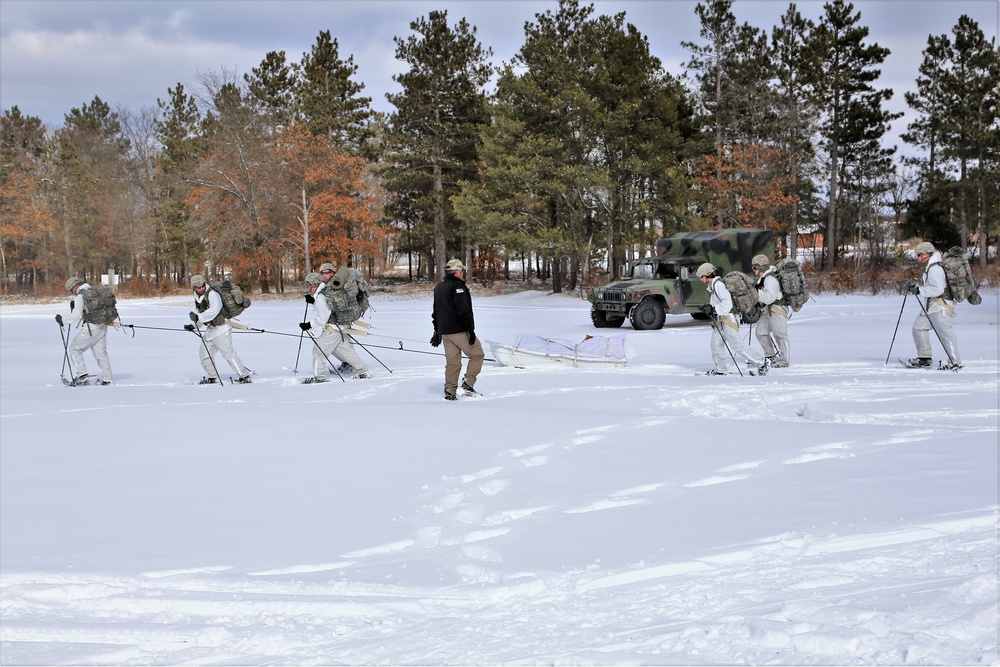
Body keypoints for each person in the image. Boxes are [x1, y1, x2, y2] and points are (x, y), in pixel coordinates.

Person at [696, 262, 769, 376]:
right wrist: (708, 307)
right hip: (722, 319)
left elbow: (727, 303)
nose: (700, 280)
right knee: (716, 344)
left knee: (737, 345)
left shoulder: (719, 285)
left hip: (729, 318)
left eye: (701, 277)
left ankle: (761, 363)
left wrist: (714, 309)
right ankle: (721, 370)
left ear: (708, 274)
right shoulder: (714, 286)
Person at [298, 271, 369, 382]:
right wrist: (313, 301)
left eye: (308, 285)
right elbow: (329, 307)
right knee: (347, 351)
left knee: (318, 350)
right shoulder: (326, 290)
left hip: (333, 329)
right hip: (341, 326)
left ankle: (319, 377)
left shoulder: (320, 296)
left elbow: (323, 317)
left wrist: (309, 325)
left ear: (314, 285)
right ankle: (364, 372)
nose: (307, 287)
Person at [431, 258, 485, 400]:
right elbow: (463, 311)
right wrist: (470, 330)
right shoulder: (457, 287)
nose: (462, 273)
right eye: (461, 270)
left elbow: (436, 311)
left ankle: (450, 390)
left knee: (453, 363)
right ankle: (468, 383)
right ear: (457, 272)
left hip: (445, 332)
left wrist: (437, 331)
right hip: (459, 331)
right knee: (477, 355)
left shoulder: (439, 286)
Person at [185, 274, 252, 384]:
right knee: (204, 355)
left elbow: (214, 310)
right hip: (211, 329)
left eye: (202, 286)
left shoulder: (212, 294)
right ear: (194, 287)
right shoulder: (197, 296)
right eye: (198, 287)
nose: (201, 288)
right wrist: (194, 325)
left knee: (228, 353)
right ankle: (213, 377)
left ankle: (244, 376)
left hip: (222, 328)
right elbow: (201, 312)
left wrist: (199, 317)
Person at [906, 241, 961, 369]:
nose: (917, 258)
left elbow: (938, 289)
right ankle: (924, 358)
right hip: (931, 306)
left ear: (927, 254)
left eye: (919, 255)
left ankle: (955, 362)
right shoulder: (930, 267)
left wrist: (919, 290)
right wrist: (917, 288)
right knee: (918, 327)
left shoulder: (935, 269)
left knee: (946, 335)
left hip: (940, 306)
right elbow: (932, 287)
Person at [59, 276, 113, 385]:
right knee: (101, 354)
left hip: (91, 328)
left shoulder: (81, 296)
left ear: (75, 286)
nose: (72, 292)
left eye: (71, 290)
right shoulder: (95, 291)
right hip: (103, 325)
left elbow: (77, 315)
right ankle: (108, 379)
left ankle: (82, 375)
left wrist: (62, 319)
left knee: (74, 349)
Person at [752, 254, 790, 367]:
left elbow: (770, 298)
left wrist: (756, 293)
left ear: (761, 267)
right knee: (760, 331)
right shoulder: (764, 278)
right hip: (768, 309)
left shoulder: (770, 279)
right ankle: (770, 356)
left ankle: (784, 361)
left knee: (780, 334)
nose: (753, 271)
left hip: (777, 309)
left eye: (755, 268)